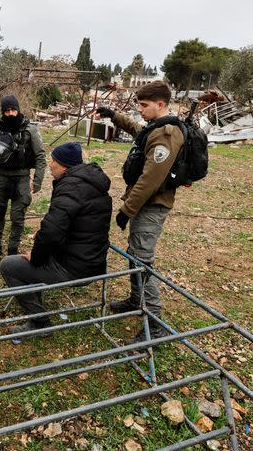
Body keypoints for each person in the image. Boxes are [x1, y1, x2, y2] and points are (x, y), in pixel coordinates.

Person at [96, 80, 184, 341]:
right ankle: (137, 301)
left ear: (161, 104)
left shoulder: (167, 135)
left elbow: (150, 179)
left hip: (152, 206)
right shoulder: (155, 128)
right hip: (143, 205)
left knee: (143, 261)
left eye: (144, 106)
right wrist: (113, 116)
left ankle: (155, 324)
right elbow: (137, 129)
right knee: (134, 254)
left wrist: (127, 209)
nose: (141, 111)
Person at [0, 142, 111, 336]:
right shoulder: (93, 184)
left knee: (8, 265)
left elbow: (51, 233)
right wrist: (42, 237)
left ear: (65, 166)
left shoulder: (69, 188)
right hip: (94, 264)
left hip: (75, 269)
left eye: (54, 161)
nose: (50, 165)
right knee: (40, 248)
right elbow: (76, 228)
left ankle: (40, 323)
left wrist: (35, 257)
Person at [0, 95, 46, 260]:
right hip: (0, 175)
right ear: (3, 112)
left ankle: (12, 249)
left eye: (13, 109)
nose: (11, 113)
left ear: (18, 109)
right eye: (7, 111)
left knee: (17, 216)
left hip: (21, 177)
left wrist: (38, 181)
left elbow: (40, 156)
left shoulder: (30, 129)